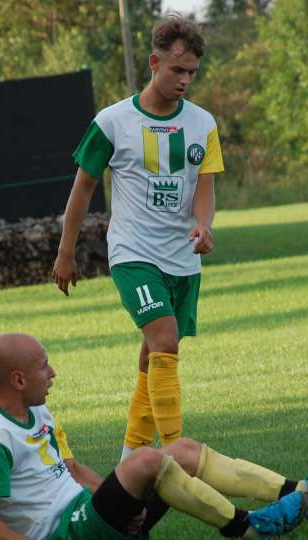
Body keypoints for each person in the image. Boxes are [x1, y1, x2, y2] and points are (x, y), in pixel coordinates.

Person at [0, 333, 308, 540]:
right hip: (63, 535)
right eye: (44, 366)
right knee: (147, 460)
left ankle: (306, 492)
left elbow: (73, 470)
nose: (53, 373)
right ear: (17, 380)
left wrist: (122, 506)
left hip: (91, 518)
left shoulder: (36, 410)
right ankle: (250, 527)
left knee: (180, 450)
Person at [52, 15, 223, 460]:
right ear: (154, 61)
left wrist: (204, 226)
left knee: (153, 356)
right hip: (133, 254)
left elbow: (204, 188)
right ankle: (175, 456)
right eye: (176, 70)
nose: (184, 80)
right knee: (164, 339)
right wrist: (65, 251)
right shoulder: (112, 122)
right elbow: (83, 188)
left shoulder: (203, 124)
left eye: (191, 73)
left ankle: (131, 458)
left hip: (183, 261)